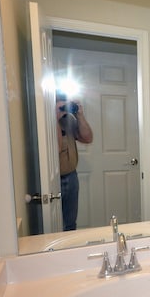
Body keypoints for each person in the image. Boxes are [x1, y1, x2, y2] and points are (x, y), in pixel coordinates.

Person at [56, 91, 93, 231]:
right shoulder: (46, 123)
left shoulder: (69, 120)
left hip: (71, 176)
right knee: (56, 226)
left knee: (70, 224)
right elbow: (57, 148)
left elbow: (88, 138)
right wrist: (54, 117)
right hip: (54, 180)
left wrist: (80, 115)